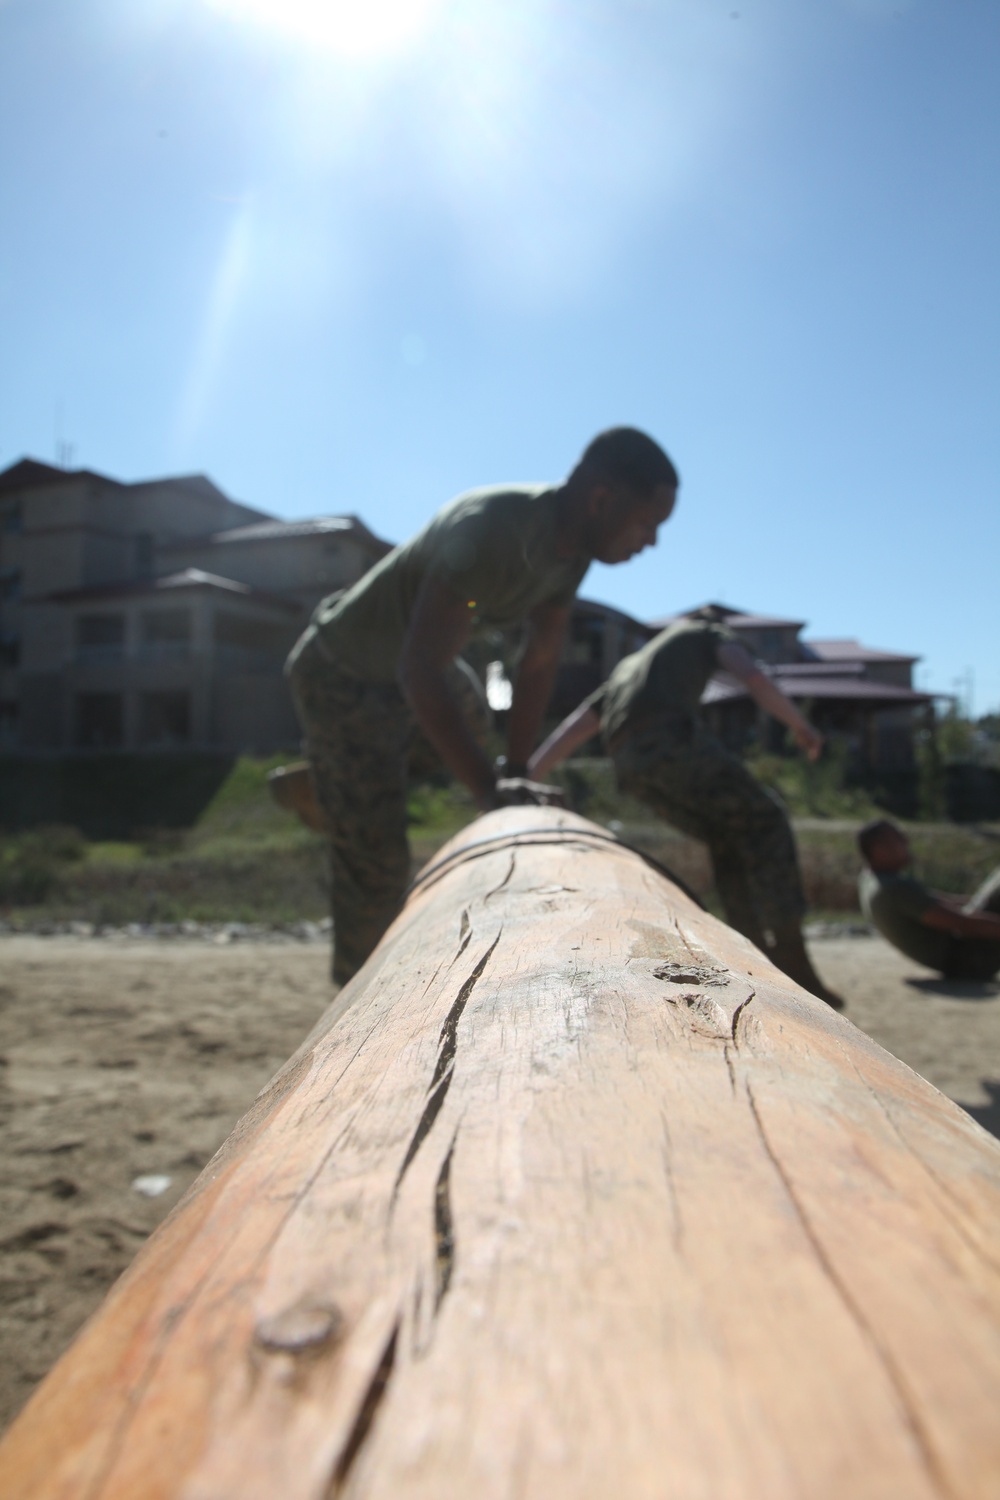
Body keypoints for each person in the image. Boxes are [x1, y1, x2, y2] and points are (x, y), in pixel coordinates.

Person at [286, 427, 679, 984]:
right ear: (600, 500)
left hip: (422, 671)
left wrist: (515, 773)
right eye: (648, 523)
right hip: (343, 672)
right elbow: (416, 669)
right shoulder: (491, 527)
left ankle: (340, 777)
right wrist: (489, 792)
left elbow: (539, 661)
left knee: (464, 731)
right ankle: (355, 990)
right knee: (376, 866)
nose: (652, 542)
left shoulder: (572, 556)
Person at [528, 610, 844, 1008]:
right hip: (670, 738)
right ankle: (791, 951)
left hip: (629, 765)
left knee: (725, 835)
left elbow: (574, 727)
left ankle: (751, 952)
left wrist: (528, 773)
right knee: (767, 819)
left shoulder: (632, 665)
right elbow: (752, 676)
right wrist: (800, 725)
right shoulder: (706, 632)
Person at [858, 820, 1000, 980]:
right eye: (898, 838)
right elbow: (963, 924)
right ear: (879, 850)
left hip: (958, 958)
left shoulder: (871, 879)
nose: (906, 842)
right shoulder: (894, 888)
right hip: (969, 960)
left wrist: (974, 901)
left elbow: (936, 901)